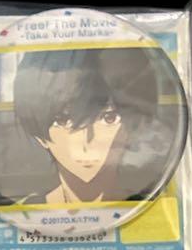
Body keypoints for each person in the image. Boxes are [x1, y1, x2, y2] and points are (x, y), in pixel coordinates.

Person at [14, 47, 160, 205]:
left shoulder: (158, 205)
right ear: (40, 136)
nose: (86, 143)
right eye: (63, 120)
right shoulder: (22, 211)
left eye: (109, 118)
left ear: (136, 125)